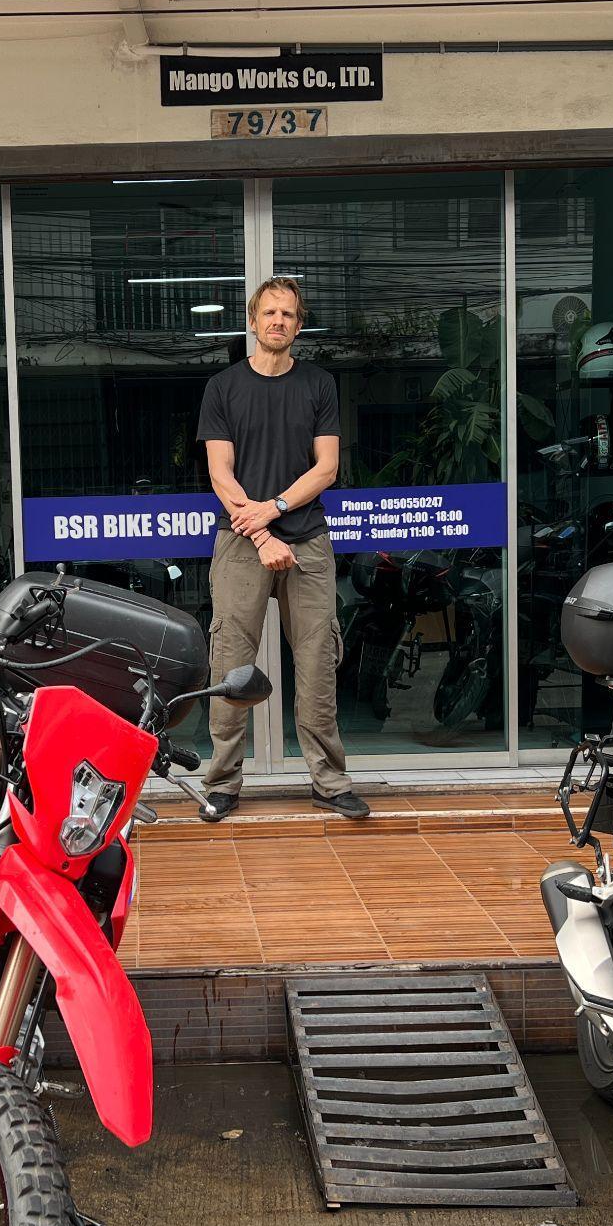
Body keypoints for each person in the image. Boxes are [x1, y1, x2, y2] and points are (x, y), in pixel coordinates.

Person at [196, 277, 368, 821]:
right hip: (243, 543)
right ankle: (222, 783)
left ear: (298, 324)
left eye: (288, 314)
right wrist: (263, 533)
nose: (278, 321)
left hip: (309, 542)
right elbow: (220, 473)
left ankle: (329, 781)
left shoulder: (318, 385)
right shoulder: (223, 387)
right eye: (269, 312)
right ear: (252, 321)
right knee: (231, 663)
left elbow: (327, 468)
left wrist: (272, 510)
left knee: (317, 664)